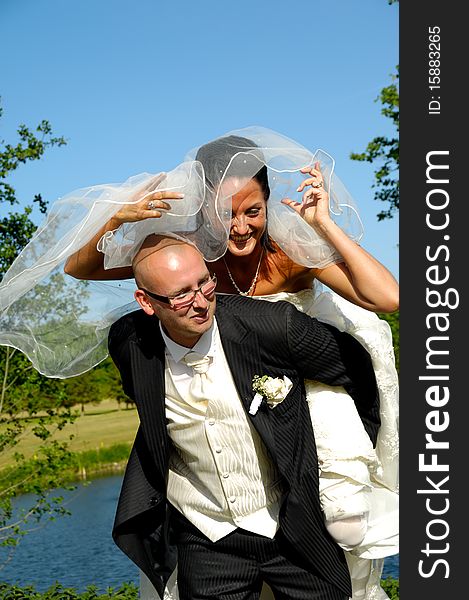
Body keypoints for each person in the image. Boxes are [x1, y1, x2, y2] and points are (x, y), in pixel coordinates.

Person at [64, 129, 399, 598]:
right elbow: (80, 268)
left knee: (338, 517)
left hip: (301, 371)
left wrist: (323, 224)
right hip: (227, 388)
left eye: (252, 211)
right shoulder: (190, 255)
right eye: (225, 214)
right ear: (203, 211)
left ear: (268, 204)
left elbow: (388, 297)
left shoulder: (288, 250)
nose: (240, 227)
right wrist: (115, 218)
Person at [110, 233, 380, 600]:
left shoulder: (273, 326)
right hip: (206, 532)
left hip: (292, 525)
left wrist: (349, 451)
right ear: (146, 301)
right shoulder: (129, 343)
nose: (201, 301)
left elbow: (355, 368)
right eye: (181, 294)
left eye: (204, 283)